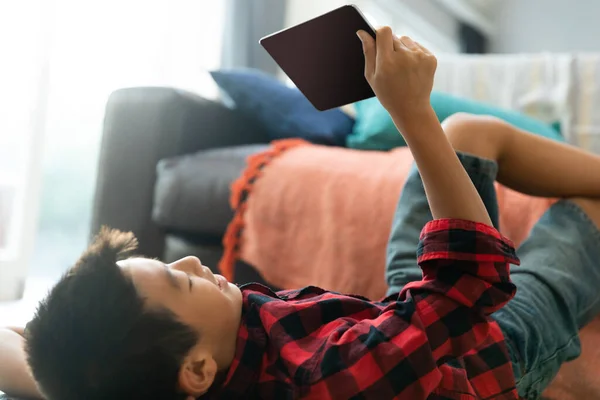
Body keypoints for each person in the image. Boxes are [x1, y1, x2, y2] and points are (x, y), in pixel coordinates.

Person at [2, 27, 600, 400]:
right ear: (198, 370)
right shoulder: (329, 380)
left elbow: (25, 360)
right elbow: (472, 283)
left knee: (466, 133)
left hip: (399, 324)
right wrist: (409, 112)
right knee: (582, 210)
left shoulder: (136, 375)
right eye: (179, 278)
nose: (190, 259)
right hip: (486, 355)